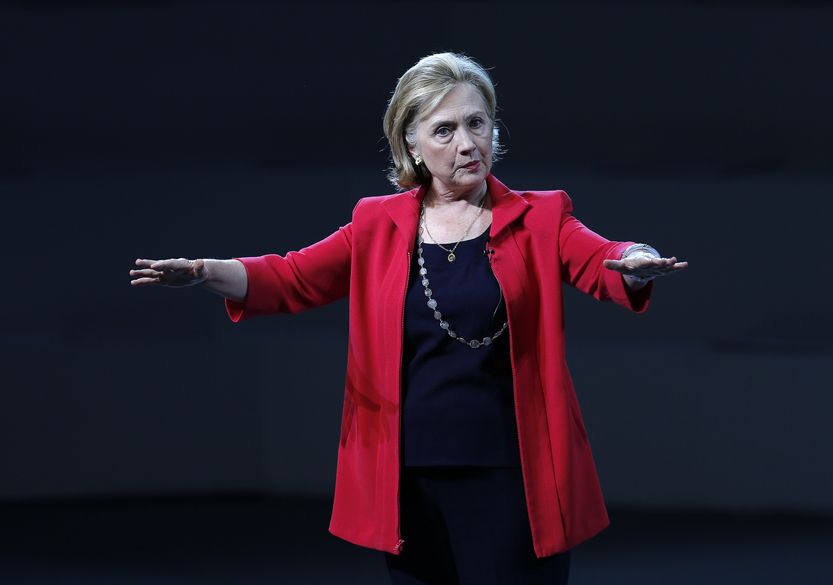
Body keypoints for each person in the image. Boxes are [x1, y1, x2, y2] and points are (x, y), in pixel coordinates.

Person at [130, 52, 687, 585]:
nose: (467, 143)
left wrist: (638, 260)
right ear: (412, 145)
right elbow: (292, 277)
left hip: (512, 475)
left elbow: (602, 257)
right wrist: (205, 271)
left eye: (477, 123)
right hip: (406, 478)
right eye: (445, 130)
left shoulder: (541, 216)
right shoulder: (376, 223)